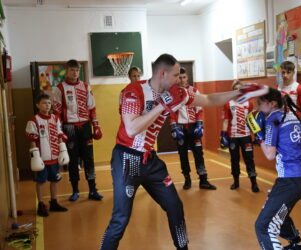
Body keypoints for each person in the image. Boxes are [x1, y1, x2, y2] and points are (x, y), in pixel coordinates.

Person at [100, 53, 268, 250]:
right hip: (127, 158)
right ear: (162, 74)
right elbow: (131, 128)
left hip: (150, 161)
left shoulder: (178, 93)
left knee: (175, 206)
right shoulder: (134, 90)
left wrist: (240, 93)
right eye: (175, 75)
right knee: (121, 218)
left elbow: (209, 99)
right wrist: (162, 105)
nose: (179, 80)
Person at [247, 88, 301, 250]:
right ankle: (297, 245)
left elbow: (269, 154)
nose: (257, 107)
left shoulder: (273, 119)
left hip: (290, 181)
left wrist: (258, 133)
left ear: (272, 103)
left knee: (263, 226)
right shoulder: (291, 115)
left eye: (260, 103)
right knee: (279, 212)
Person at [52, 59, 103, 201]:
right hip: (69, 128)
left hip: (85, 126)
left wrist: (96, 125)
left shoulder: (86, 86)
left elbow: (92, 107)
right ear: (67, 71)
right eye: (72, 70)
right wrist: (59, 131)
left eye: (77, 70)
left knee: (89, 159)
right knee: (72, 160)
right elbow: (56, 113)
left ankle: (93, 190)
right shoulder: (59, 89)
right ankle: (75, 190)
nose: (75, 73)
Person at [169, 67, 216, 190]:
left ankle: (203, 180)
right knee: (183, 155)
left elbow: (200, 110)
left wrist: (200, 125)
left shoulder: (195, 91)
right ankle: (187, 179)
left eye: (184, 77)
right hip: (180, 127)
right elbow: (171, 112)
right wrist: (174, 126)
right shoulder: (172, 93)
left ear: (187, 77)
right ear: (176, 78)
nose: (182, 79)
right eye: (179, 77)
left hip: (193, 127)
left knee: (199, 154)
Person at [26, 93, 69, 217]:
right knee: (40, 181)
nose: (47, 105)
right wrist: (35, 157)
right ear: (38, 105)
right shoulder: (33, 121)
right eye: (44, 103)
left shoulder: (55, 118)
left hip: (54, 157)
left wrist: (63, 150)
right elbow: (32, 139)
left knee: (55, 180)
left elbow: (59, 134)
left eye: (49, 103)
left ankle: (54, 202)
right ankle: (40, 204)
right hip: (42, 158)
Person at [278, 60, 301, 200]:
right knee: (281, 158)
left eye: (287, 72)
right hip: (282, 128)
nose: (285, 75)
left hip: (296, 128)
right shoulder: (278, 88)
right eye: (283, 72)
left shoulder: (300, 88)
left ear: (293, 72)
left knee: (299, 157)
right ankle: (283, 187)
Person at [220, 80, 259, 192]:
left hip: (246, 136)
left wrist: (256, 135)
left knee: (249, 159)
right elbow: (226, 121)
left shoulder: (249, 103)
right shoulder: (228, 104)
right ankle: (236, 181)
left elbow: (252, 120)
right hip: (233, 136)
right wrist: (222, 136)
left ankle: (254, 183)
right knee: (234, 159)